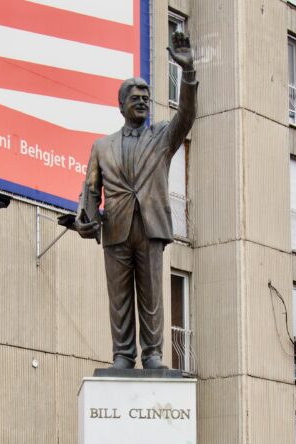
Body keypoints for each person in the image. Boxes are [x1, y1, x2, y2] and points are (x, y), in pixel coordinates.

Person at [77, 30, 197, 370]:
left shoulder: (162, 136)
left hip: (150, 226)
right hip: (115, 226)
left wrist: (187, 72)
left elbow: (186, 116)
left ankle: (153, 354)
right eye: (135, 95)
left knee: (151, 294)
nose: (143, 100)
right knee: (119, 299)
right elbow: (90, 188)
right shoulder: (102, 146)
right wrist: (84, 217)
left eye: (146, 95)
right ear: (121, 105)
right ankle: (123, 355)